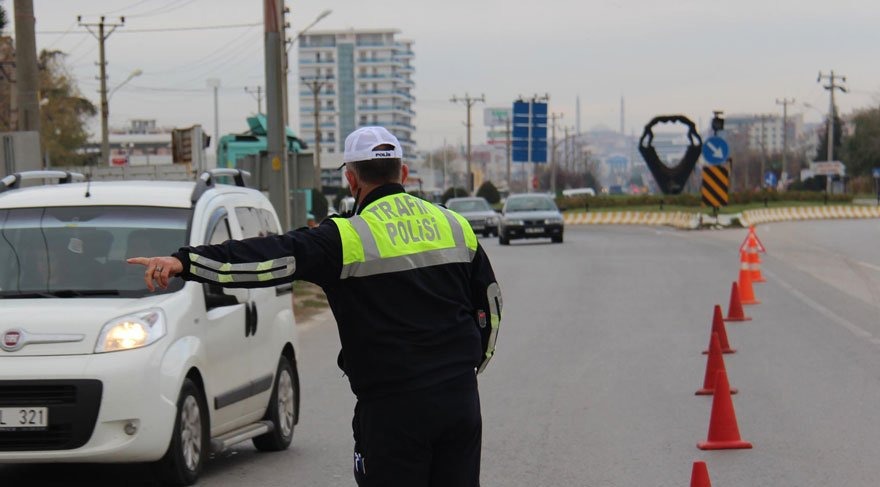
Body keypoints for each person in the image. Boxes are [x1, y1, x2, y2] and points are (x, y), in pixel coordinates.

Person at [128, 126, 502, 487]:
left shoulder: (346, 238)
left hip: (394, 409)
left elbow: (264, 259)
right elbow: (490, 306)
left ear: (352, 180)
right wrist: (472, 366)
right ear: (402, 172)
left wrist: (187, 263)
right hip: (459, 400)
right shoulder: (455, 227)